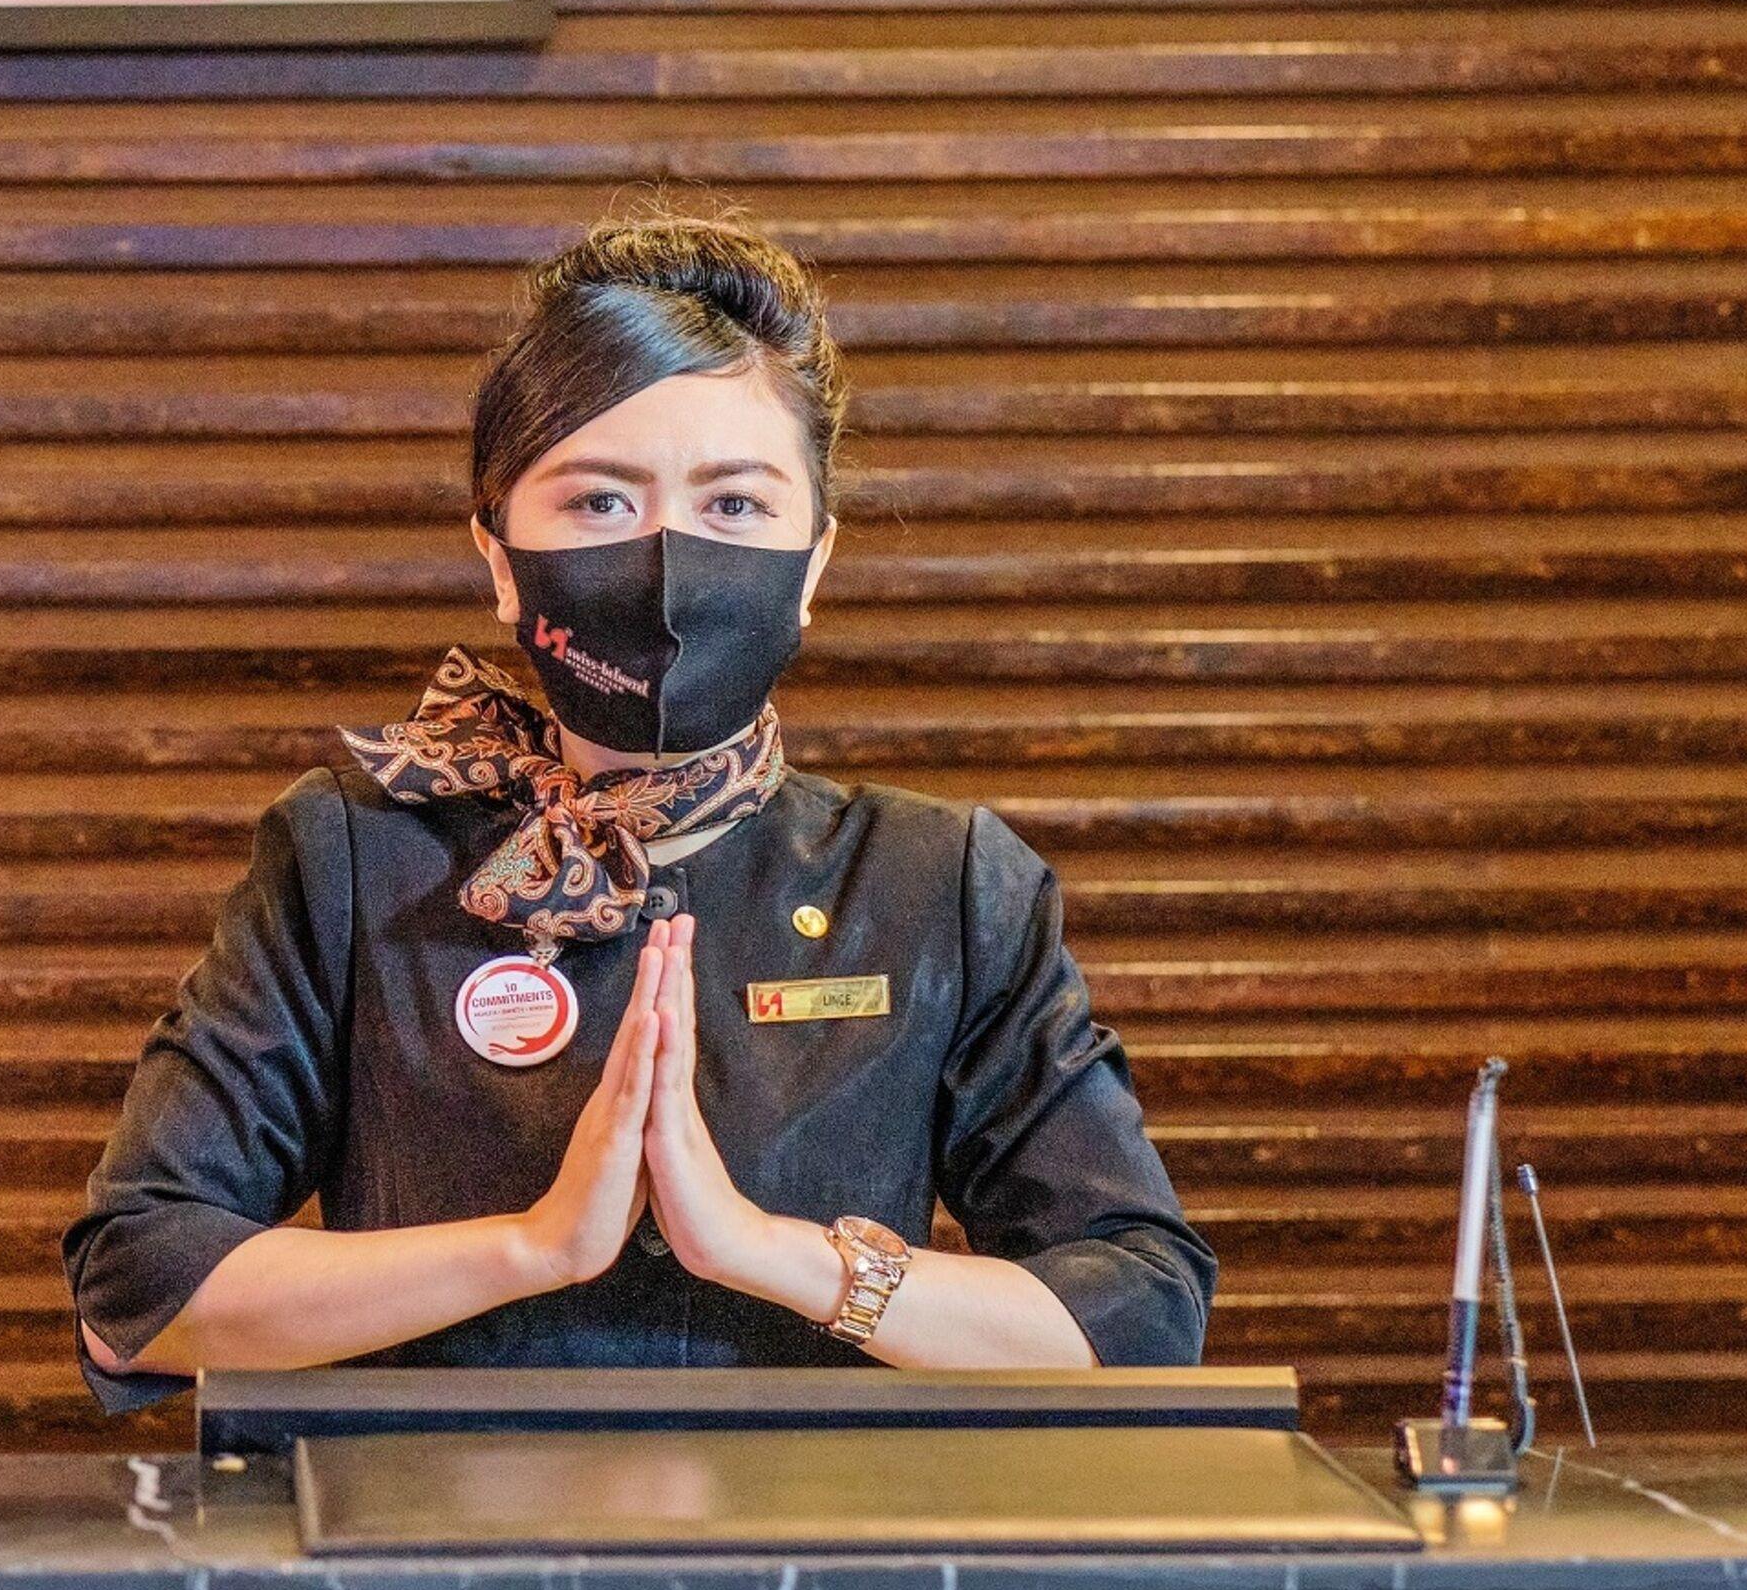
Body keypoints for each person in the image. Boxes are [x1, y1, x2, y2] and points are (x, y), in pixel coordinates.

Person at [64, 204, 1214, 1410]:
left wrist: (774, 1254)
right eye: (600, 502)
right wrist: (531, 1248)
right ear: (501, 559)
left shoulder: (941, 881)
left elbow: (1139, 1313)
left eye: (735, 507)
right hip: (426, 1521)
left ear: (813, 564)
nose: (667, 561)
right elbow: (136, 1290)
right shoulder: (351, 853)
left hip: (822, 1528)